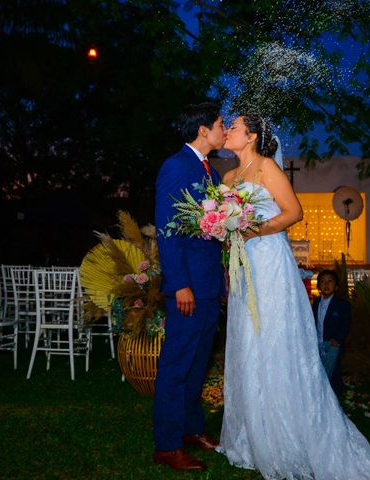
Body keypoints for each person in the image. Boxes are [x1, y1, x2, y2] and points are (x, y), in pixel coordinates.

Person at [217, 113, 370, 479]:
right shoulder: (228, 177)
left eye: (233, 126)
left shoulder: (266, 168)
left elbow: (293, 212)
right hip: (243, 266)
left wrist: (253, 231)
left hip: (269, 262)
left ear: (249, 136)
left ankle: (286, 432)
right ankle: (252, 432)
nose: (227, 130)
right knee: (247, 341)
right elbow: (224, 222)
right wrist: (225, 231)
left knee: (273, 340)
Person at [153, 102, 227, 472]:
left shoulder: (211, 171)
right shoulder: (176, 167)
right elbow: (168, 232)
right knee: (177, 365)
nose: (224, 129)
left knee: (198, 363)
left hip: (210, 286)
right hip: (188, 289)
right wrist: (180, 284)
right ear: (202, 130)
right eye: (219, 124)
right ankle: (166, 445)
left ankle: (190, 429)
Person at [312, 269, 351, 397]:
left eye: (330, 281)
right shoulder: (316, 303)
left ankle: (335, 395)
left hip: (333, 343)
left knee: (334, 370)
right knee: (320, 369)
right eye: (322, 282)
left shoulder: (342, 305)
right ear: (318, 286)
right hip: (319, 342)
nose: (326, 284)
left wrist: (338, 339)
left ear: (336, 286)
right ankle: (324, 394)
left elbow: (345, 324)